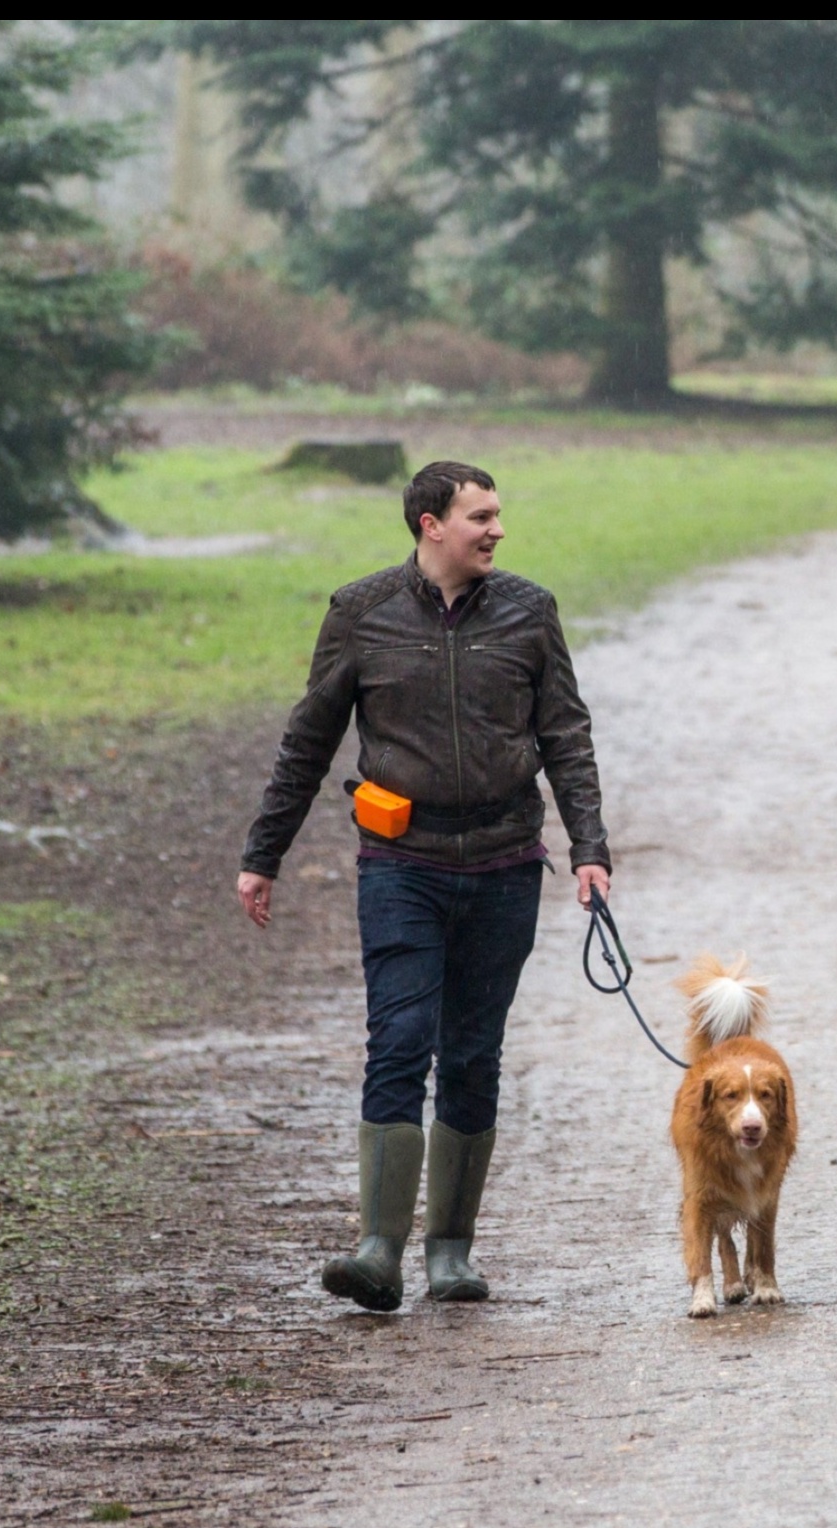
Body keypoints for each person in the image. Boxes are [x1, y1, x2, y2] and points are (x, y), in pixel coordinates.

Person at [235, 460, 613, 1311]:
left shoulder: (529, 610)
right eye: (480, 516)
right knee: (400, 1040)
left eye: (499, 515)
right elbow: (309, 740)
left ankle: (451, 1253)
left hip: (506, 866)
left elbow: (566, 734)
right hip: (401, 866)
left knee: (474, 1052)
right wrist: (265, 854)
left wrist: (589, 846)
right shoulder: (360, 612)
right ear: (429, 524)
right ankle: (378, 1250)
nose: (497, 530)